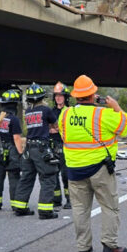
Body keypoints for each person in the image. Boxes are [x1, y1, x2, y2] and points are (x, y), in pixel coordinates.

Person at [58, 74, 127, 252]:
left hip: (74, 169)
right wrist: (116, 107)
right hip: (100, 170)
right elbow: (125, 126)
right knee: (109, 207)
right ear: (92, 95)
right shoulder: (103, 114)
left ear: (75, 96)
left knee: (80, 209)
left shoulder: (65, 114)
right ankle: (109, 246)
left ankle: (83, 246)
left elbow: (63, 135)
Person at [13, 83, 60, 220]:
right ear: (42, 97)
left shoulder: (28, 112)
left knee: (26, 177)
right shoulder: (46, 110)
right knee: (48, 177)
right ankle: (45, 211)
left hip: (29, 148)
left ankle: (20, 207)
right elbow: (55, 125)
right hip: (41, 148)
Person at [0, 89, 26, 213]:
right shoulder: (14, 120)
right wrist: (21, 154)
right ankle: (15, 204)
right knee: (14, 178)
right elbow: (16, 138)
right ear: (14, 105)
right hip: (12, 153)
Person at [50, 82, 73, 210]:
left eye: (61, 95)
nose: (58, 98)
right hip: (53, 145)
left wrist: (57, 129)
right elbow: (49, 127)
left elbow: (68, 129)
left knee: (65, 174)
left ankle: (69, 199)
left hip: (65, 146)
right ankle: (56, 199)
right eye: (56, 96)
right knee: (53, 173)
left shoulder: (70, 111)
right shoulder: (51, 112)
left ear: (65, 97)